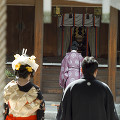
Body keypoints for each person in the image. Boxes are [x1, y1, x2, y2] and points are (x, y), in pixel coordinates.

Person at [4, 49, 45, 120]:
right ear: (30, 73)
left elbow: (5, 108)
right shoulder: (35, 90)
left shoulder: (8, 88)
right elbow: (41, 110)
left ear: (16, 72)